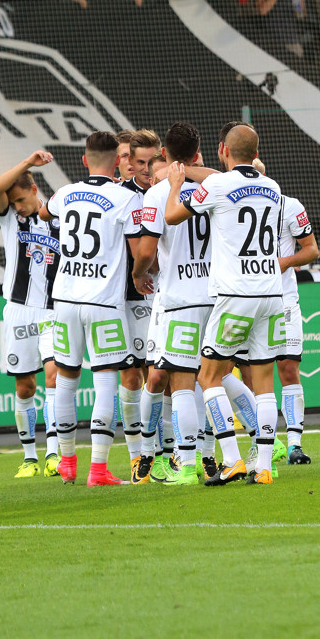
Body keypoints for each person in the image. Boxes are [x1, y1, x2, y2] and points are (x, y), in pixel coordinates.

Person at [165, 124, 284, 486]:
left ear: (222, 150)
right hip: (271, 293)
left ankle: (232, 458)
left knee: (209, 375)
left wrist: (174, 185)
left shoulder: (217, 186)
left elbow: (172, 216)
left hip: (236, 295)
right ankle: (264, 465)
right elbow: (243, 177)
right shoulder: (273, 187)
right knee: (263, 380)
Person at [39, 131, 143, 487]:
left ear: (84, 160)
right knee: (104, 384)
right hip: (103, 302)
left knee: (66, 380)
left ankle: (67, 462)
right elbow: (137, 248)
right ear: (118, 161)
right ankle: (97, 470)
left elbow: (43, 211)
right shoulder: (124, 197)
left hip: (65, 299)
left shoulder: (65, 193)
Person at [131, 122, 213, 486]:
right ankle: (212, 456)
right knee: (210, 380)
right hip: (214, 296)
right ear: (197, 154)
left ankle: (173, 460)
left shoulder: (158, 192)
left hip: (177, 298)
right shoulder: (215, 185)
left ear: (163, 154)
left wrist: (138, 274)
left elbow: (147, 251)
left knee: (177, 383)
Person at [0, 150, 60, 478]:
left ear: (35, 191)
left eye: (20, 199)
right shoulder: (10, 219)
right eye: (13, 201)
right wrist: (27, 164)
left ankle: (54, 453)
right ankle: (29, 457)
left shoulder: (58, 220)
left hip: (50, 311)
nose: (17, 205)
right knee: (25, 387)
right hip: (17, 311)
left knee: (55, 377)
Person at [254, 162, 319, 463]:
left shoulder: (289, 206)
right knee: (250, 373)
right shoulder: (229, 205)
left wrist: (285, 262)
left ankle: (295, 445)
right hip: (247, 300)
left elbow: (312, 250)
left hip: (284, 300)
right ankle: (266, 438)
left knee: (289, 369)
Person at [118, 129, 161, 476]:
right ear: (129, 163)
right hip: (128, 299)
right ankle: (138, 456)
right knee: (133, 376)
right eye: (141, 162)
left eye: (152, 161)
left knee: (166, 375)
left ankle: (168, 449)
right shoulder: (122, 198)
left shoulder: (168, 195)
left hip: (168, 295)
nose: (147, 169)